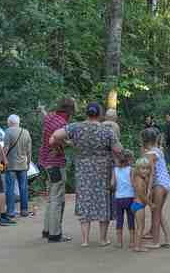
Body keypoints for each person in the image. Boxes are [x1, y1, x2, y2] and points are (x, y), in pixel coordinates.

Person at [51, 102, 123, 247]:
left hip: (83, 170)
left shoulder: (76, 127)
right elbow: (118, 150)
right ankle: (103, 239)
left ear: (86, 113)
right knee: (104, 202)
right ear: (100, 114)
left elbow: (55, 136)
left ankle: (85, 240)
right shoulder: (107, 130)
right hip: (103, 170)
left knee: (85, 201)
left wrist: (68, 144)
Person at [39, 97, 76, 242]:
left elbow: (44, 115)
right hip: (55, 163)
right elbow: (54, 140)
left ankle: (47, 230)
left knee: (51, 197)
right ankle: (55, 234)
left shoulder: (51, 117)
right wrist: (66, 145)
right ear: (70, 109)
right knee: (57, 199)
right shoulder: (62, 124)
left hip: (45, 162)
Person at [143, 128, 170, 249]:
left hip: (158, 185)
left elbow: (150, 172)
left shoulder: (150, 154)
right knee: (158, 212)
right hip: (165, 183)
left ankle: (155, 241)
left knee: (155, 213)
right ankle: (169, 238)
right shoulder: (158, 151)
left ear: (144, 140)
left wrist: (148, 189)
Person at [3, 114, 33, 218]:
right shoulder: (26, 132)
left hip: (10, 165)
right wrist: (28, 163)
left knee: (10, 188)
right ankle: (24, 210)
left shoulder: (8, 131)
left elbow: (6, 148)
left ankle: (11, 211)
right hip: (23, 164)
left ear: (10, 122)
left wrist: (2, 160)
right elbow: (29, 151)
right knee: (23, 188)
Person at [111, 149, 136, 249]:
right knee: (131, 219)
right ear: (128, 160)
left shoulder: (115, 170)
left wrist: (113, 189)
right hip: (130, 197)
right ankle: (132, 242)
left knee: (119, 220)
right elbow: (133, 184)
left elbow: (112, 184)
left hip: (118, 198)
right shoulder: (131, 170)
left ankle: (119, 242)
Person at [130, 157, 153, 252]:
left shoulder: (140, 178)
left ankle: (137, 244)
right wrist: (150, 204)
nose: (145, 171)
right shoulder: (139, 180)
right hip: (138, 206)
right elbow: (142, 195)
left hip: (137, 205)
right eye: (143, 168)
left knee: (140, 226)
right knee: (141, 227)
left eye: (147, 168)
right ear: (138, 169)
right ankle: (137, 246)